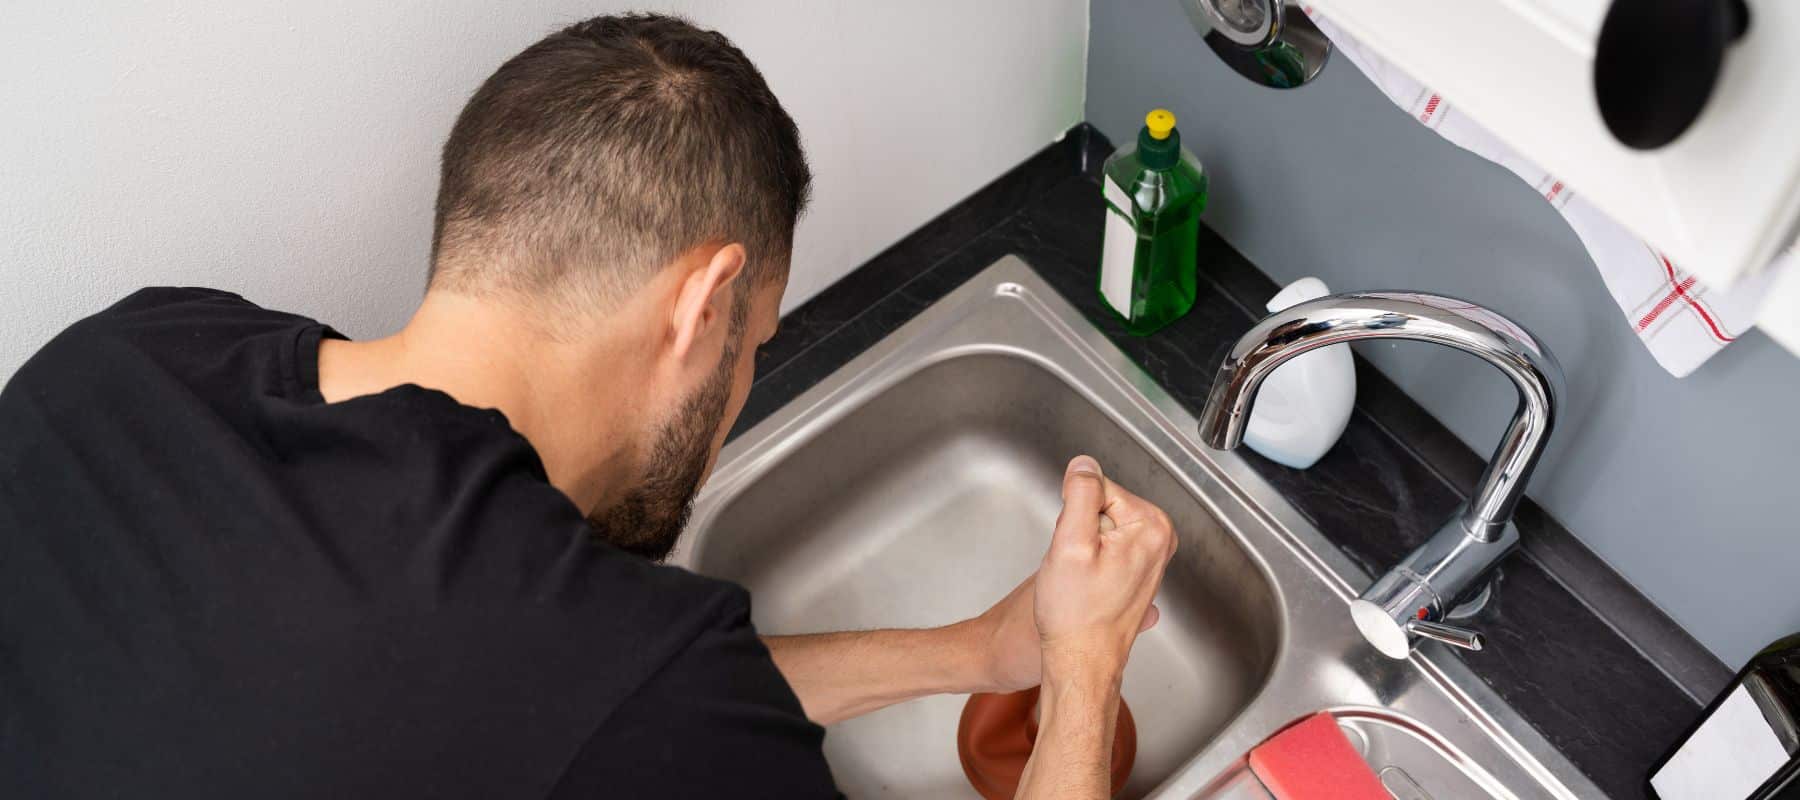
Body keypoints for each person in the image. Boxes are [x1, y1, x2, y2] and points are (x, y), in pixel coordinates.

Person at [0, 13, 1176, 799]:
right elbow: (633, 698)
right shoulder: (631, 695)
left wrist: (979, 651)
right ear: (705, 307)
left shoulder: (121, 358)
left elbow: (603, 692)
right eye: (758, 343)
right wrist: (1080, 669)